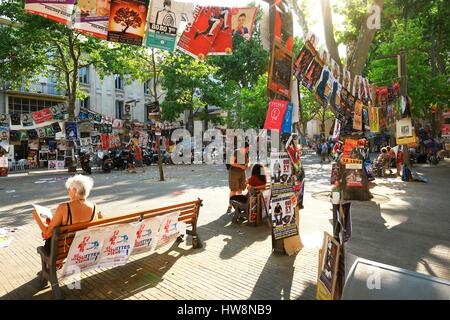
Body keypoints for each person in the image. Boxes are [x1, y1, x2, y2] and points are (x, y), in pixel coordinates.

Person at [33, 175, 102, 255]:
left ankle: (56, 263)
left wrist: (37, 216)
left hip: (63, 250)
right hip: (84, 247)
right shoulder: (94, 207)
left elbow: (47, 231)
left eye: (69, 189)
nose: (68, 191)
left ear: (74, 190)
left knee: (47, 244)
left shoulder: (64, 207)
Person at [226, 142, 250, 213]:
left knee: (241, 189)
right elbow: (231, 162)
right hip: (234, 173)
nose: (248, 150)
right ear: (243, 148)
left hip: (242, 173)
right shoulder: (236, 152)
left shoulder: (246, 153)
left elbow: (248, 161)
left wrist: (247, 165)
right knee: (233, 190)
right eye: (247, 148)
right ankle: (230, 205)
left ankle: (238, 205)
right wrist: (241, 166)